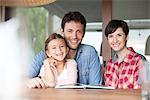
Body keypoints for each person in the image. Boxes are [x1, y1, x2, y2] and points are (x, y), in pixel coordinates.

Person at [28, 11, 102, 88]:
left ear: (83, 34)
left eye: (78, 31)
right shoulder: (46, 53)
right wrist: (29, 81)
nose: (74, 36)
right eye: (70, 31)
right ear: (62, 31)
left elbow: (96, 87)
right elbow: (23, 78)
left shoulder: (89, 52)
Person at [104, 20, 145, 89]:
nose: (115, 40)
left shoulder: (139, 61)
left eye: (119, 35)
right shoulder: (110, 64)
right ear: (108, 39)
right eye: (111, 36)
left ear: (126, 37)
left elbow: (140, 94)